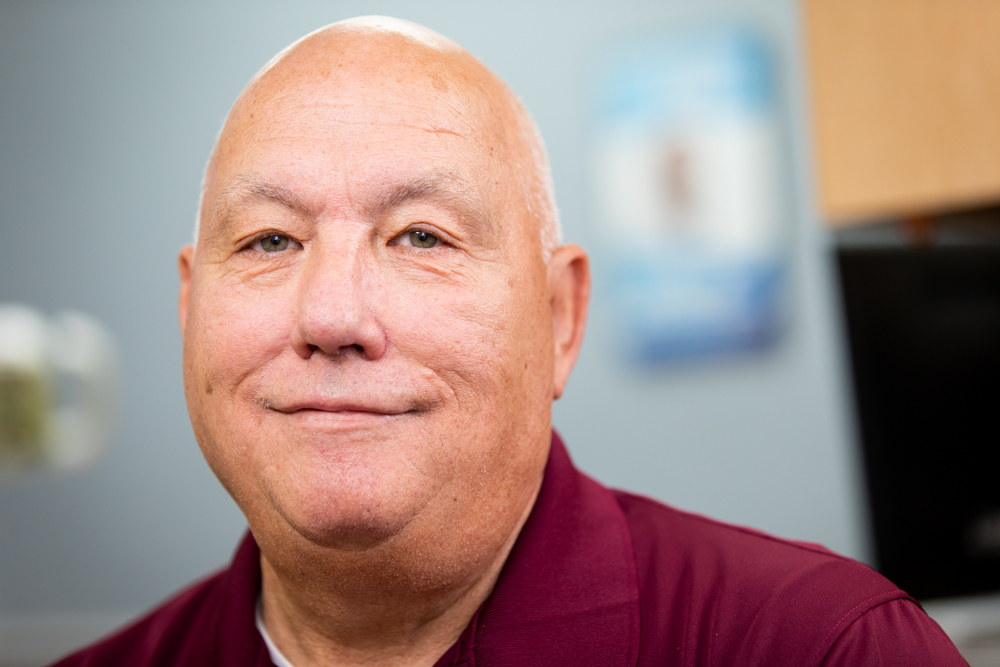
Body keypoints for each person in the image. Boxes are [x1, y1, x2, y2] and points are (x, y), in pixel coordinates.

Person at [53, 16, 966, 667]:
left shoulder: (822, 648)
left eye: (420, 236)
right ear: (189, 309)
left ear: (560, 318)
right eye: (270, 241)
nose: (331, 316)